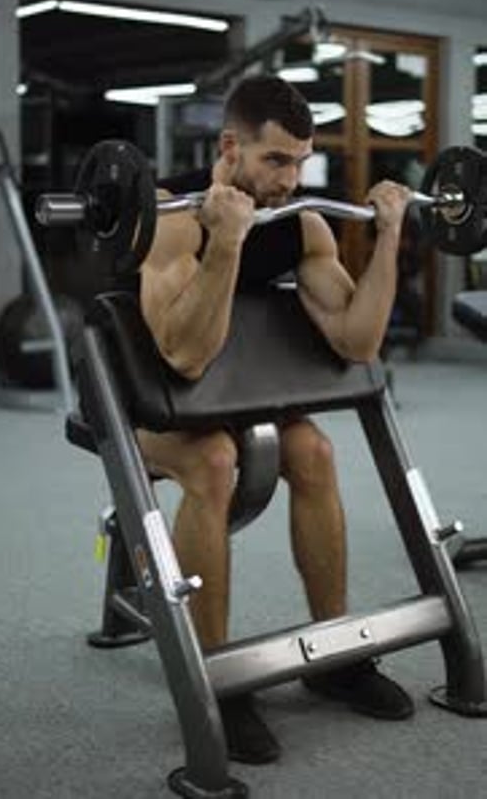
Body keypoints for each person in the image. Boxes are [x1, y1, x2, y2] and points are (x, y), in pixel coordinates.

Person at [137, 74, 414, 765]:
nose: (292, 179)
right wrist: (224, 244)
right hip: (150, 401)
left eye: (300, 161)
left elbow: (356, 342)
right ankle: (221, 680)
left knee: (316, 453)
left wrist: (387, 240)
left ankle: (335, 658)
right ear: (231, 147)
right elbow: (186, 358)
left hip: (244, 398)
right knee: (214, 463)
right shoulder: (172, 214)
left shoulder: (302, 224)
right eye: (276, 161)